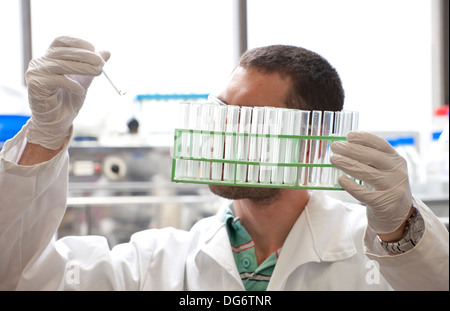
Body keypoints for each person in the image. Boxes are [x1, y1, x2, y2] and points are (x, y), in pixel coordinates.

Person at [0, 36, 448, 291]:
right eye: (220, 111)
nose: (221, 135)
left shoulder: (373, 258)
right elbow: (21, 280)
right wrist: (44, 138)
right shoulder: (157, 264)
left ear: (312, 144)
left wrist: (400, 228)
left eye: (249, 120)